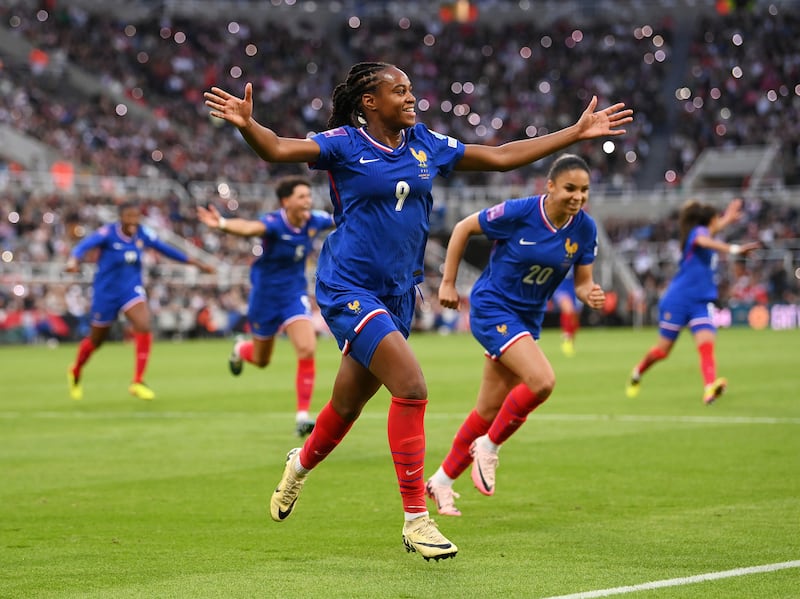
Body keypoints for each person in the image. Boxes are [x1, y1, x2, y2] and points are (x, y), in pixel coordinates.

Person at [204, 62, 631, 560]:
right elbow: (278, 149)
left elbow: (499, 157)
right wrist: (249, 126)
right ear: (370, 101)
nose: (411, 98)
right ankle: (416, 520)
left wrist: (575, 133)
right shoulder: (344, 143)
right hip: (348, 287)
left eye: (411, 89)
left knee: (346, 406)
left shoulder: (426, 143)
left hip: (399, 294)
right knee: (411, 387)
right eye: (399, 91)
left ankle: (299, 465)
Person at [425, 154, 607, 517]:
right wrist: (447, 282)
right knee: (542, 382)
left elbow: (584, 282)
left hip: (527, 317)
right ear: (550, 186)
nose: (578, 197)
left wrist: (590, 293)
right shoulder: (521, 212)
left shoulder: (584, 229)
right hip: (493, 308)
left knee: (488, 409)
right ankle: (489, 447)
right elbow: (462, 227)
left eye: (584, 190)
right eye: (570, 188)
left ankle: (442, 480)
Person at [196, 176, 335, 437]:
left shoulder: (314, 220)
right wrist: (222, 223)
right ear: (286, 201)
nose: (308, 201)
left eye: (308, 196)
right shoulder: (273, 223)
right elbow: (249, 228)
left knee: (306, 348)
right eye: (302, 197)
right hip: (265, 298)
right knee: (261, 360)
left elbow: (344, 218)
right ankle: (240, 348)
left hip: (293, 295)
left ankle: (302, 416)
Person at [66, 201, 215, 401]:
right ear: (121, 218)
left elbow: (167, 250)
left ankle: (137, 381)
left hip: (130, 290)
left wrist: (197, 264)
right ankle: (75, 370)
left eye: (136, 216)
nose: (133, 221)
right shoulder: (108, 233)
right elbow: (83, 246)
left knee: (144, 325)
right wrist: (73, 261)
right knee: (96, 341)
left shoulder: (142, 234)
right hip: (106, 293)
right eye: (129, 216)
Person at [625, 198, 760, 404]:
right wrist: (734, 250)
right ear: (710, 221)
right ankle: (638, 371)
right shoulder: (698, 234)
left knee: (706, 344)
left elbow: (712, 232)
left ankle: (709, 388)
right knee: (662, 351)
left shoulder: (706, 232)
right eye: (717, 220)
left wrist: (728, 219)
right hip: (678, 300)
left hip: (700, 301)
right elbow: (704, 239)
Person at [551, 267, 581, 357]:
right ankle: (566, 338)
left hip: (573, 287)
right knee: (568, 308)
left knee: (575, 315)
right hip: (560, 287)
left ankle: (571, 340)